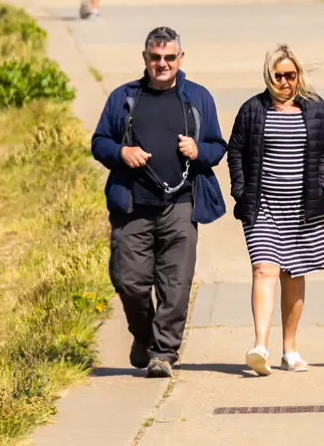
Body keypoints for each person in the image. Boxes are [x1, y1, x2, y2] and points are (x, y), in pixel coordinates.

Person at [90, 27, 227, 378]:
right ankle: (143, 335)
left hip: (181, 204)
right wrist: (122, 152)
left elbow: (216, 147)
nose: (162, 64)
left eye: (169, 57)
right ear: (145, 58)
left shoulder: (198, 98)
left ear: (181, 59)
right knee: (129, 281)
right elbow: (99, 141)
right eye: (155, 57)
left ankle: (163, 353)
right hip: (133, 206)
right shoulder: (124, 97)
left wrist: (198, 152)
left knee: (176, 285)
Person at [227, 45, 324, 376]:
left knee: (293, 274)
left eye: (290, 75)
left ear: (298, 75)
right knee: (264, 269)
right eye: (278, 76)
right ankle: (260, 346)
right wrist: (240, 188)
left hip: (304, 207)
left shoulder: (315, 109)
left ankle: (289, 348)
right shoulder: (253, 110)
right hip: (263, 206)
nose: (285, 82)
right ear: (268, 76)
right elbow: (236, 150)